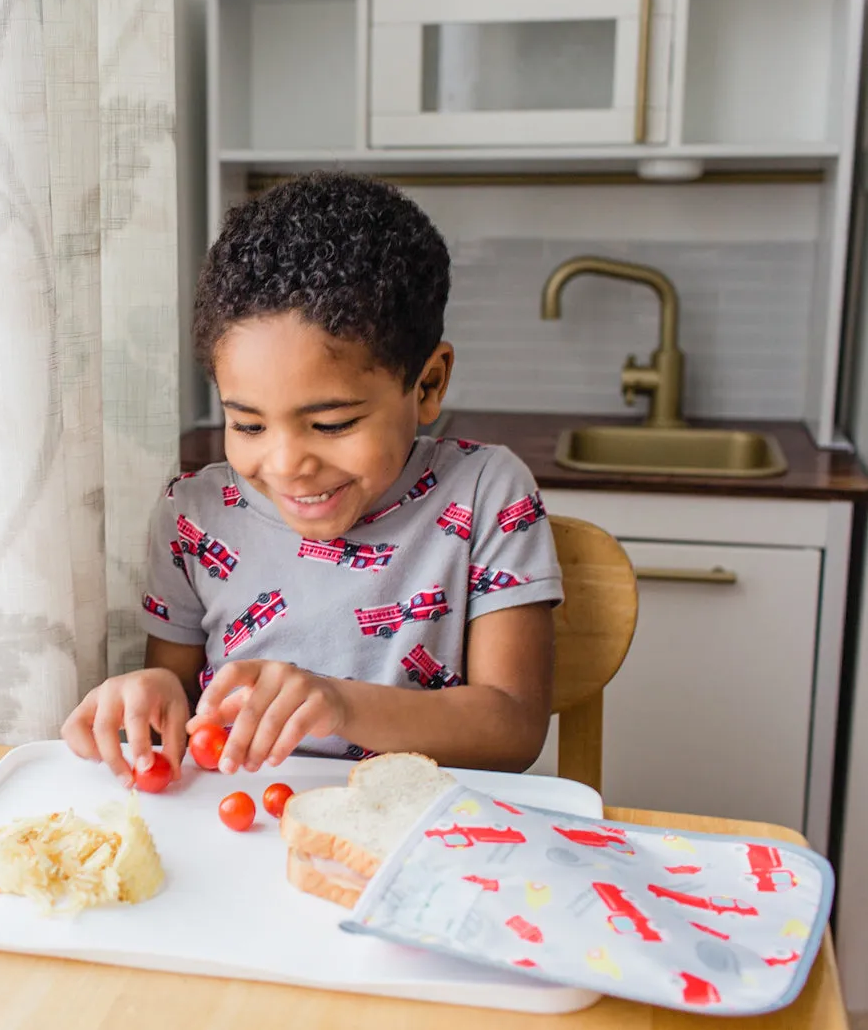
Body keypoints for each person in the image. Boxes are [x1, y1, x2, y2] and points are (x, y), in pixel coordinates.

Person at [61, 171, 563, 788]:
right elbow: (188, 709)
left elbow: (512, 731)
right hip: (246, 837)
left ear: (428, 384)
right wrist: (156, 693)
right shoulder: (195, 515)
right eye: (247, 425)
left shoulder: (488, 493)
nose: (286, 464)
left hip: (426, 835)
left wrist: (340, 704)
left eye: (330, 424)